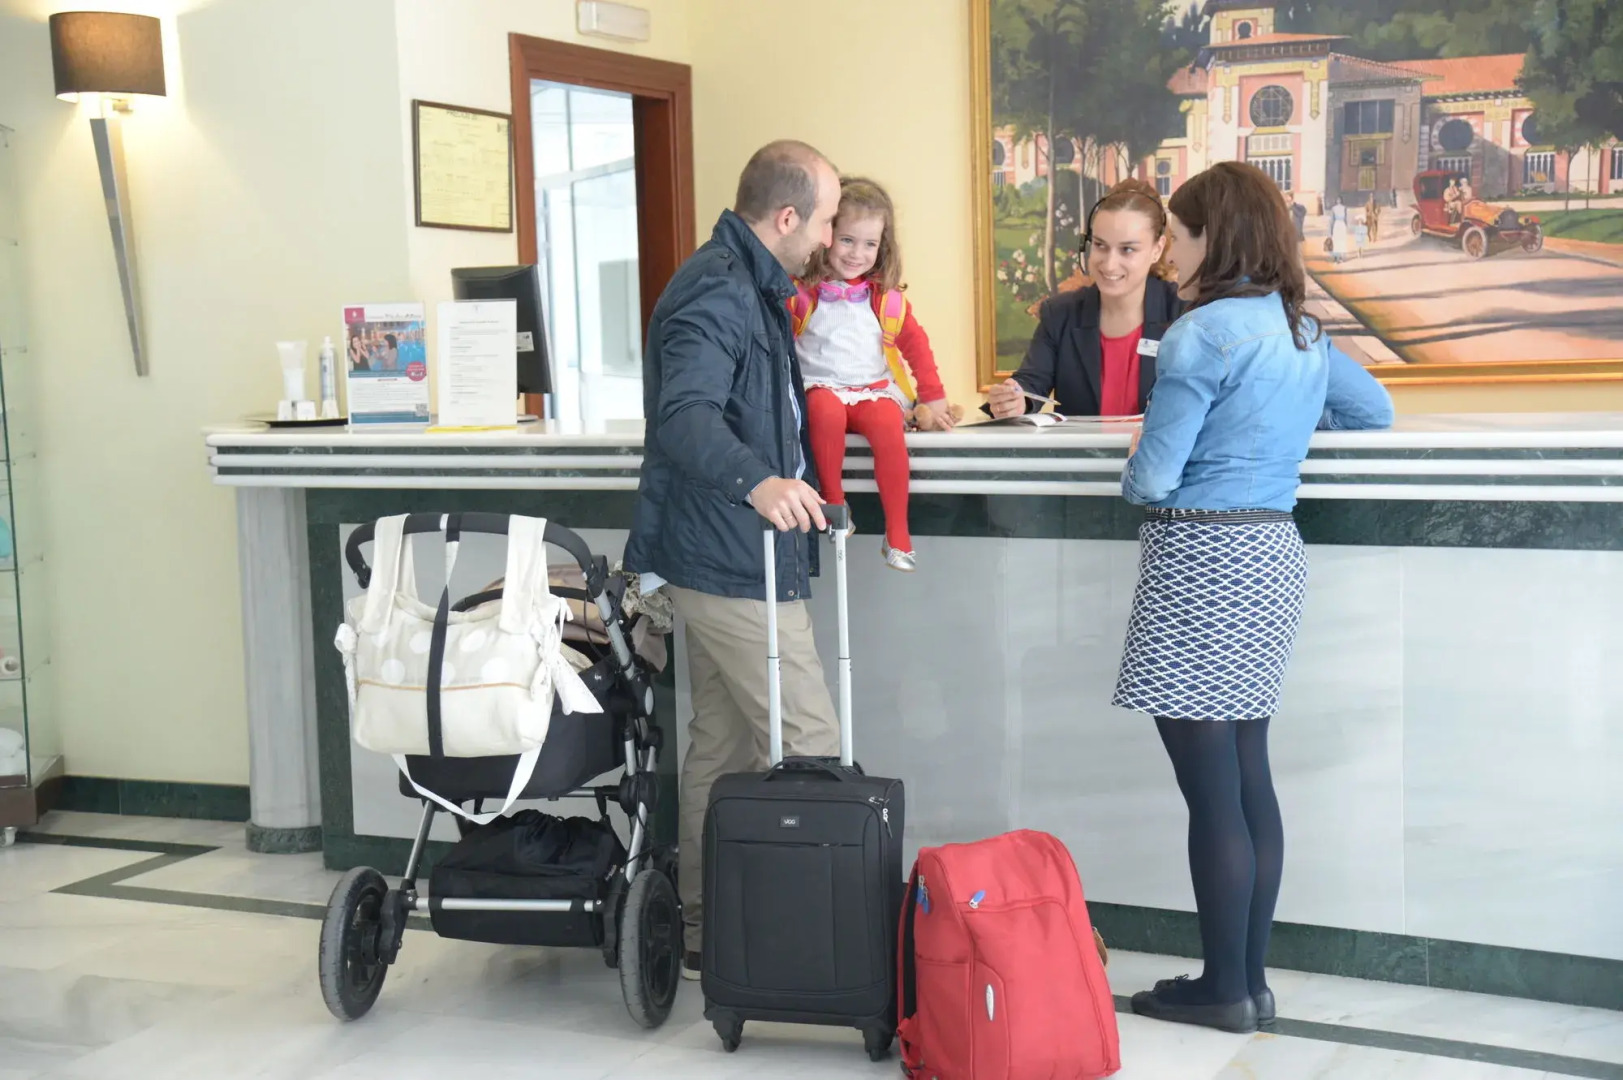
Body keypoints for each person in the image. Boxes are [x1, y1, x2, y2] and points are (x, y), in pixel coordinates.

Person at [1115, 161, 1394, 1035]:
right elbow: (1374, 412)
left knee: (1211, 795)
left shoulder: (1199, 335)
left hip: (1200, 557)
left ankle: (1222, 991)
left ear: (1213, 237)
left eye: (1177, 236)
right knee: (1246, 776)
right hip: (1270, 553)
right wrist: (1276, 429)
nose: (1169, 255)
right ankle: (1250, 983)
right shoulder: (1300, 330)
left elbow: (1151, 480)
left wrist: (1145, 451)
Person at [622, 139, 844, 980]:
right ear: (786, 217)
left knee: (720, 747)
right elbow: (684, 417)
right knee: (809, 741)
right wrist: (757, 482)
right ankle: (822, 945)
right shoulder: (718, 289)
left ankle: (701, 929)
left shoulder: (747, 281)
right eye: (825, 221)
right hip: (728, 558)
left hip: (725, 554)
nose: (829, 238)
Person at [790, 176, 957, 572]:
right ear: (827, 235)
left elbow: (917, 347)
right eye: (847, 240)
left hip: (872, 390)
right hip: (821, 387)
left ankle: (898, 531)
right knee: (824, 413)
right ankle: (835, 505)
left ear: (883, 246)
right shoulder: (801, 294)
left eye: (869, 244)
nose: (857, 253)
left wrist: (933, 398)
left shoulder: (886, 299)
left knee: (887, 426)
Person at [986, 178, 1181, 420]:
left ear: (1157, 249)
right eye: (1100, 245)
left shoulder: (1185, 313)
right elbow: (1030, 384)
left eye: (1127, 249)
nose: (1109, 264)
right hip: (1081, 447)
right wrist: (1014, 400)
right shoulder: (1059, 314)